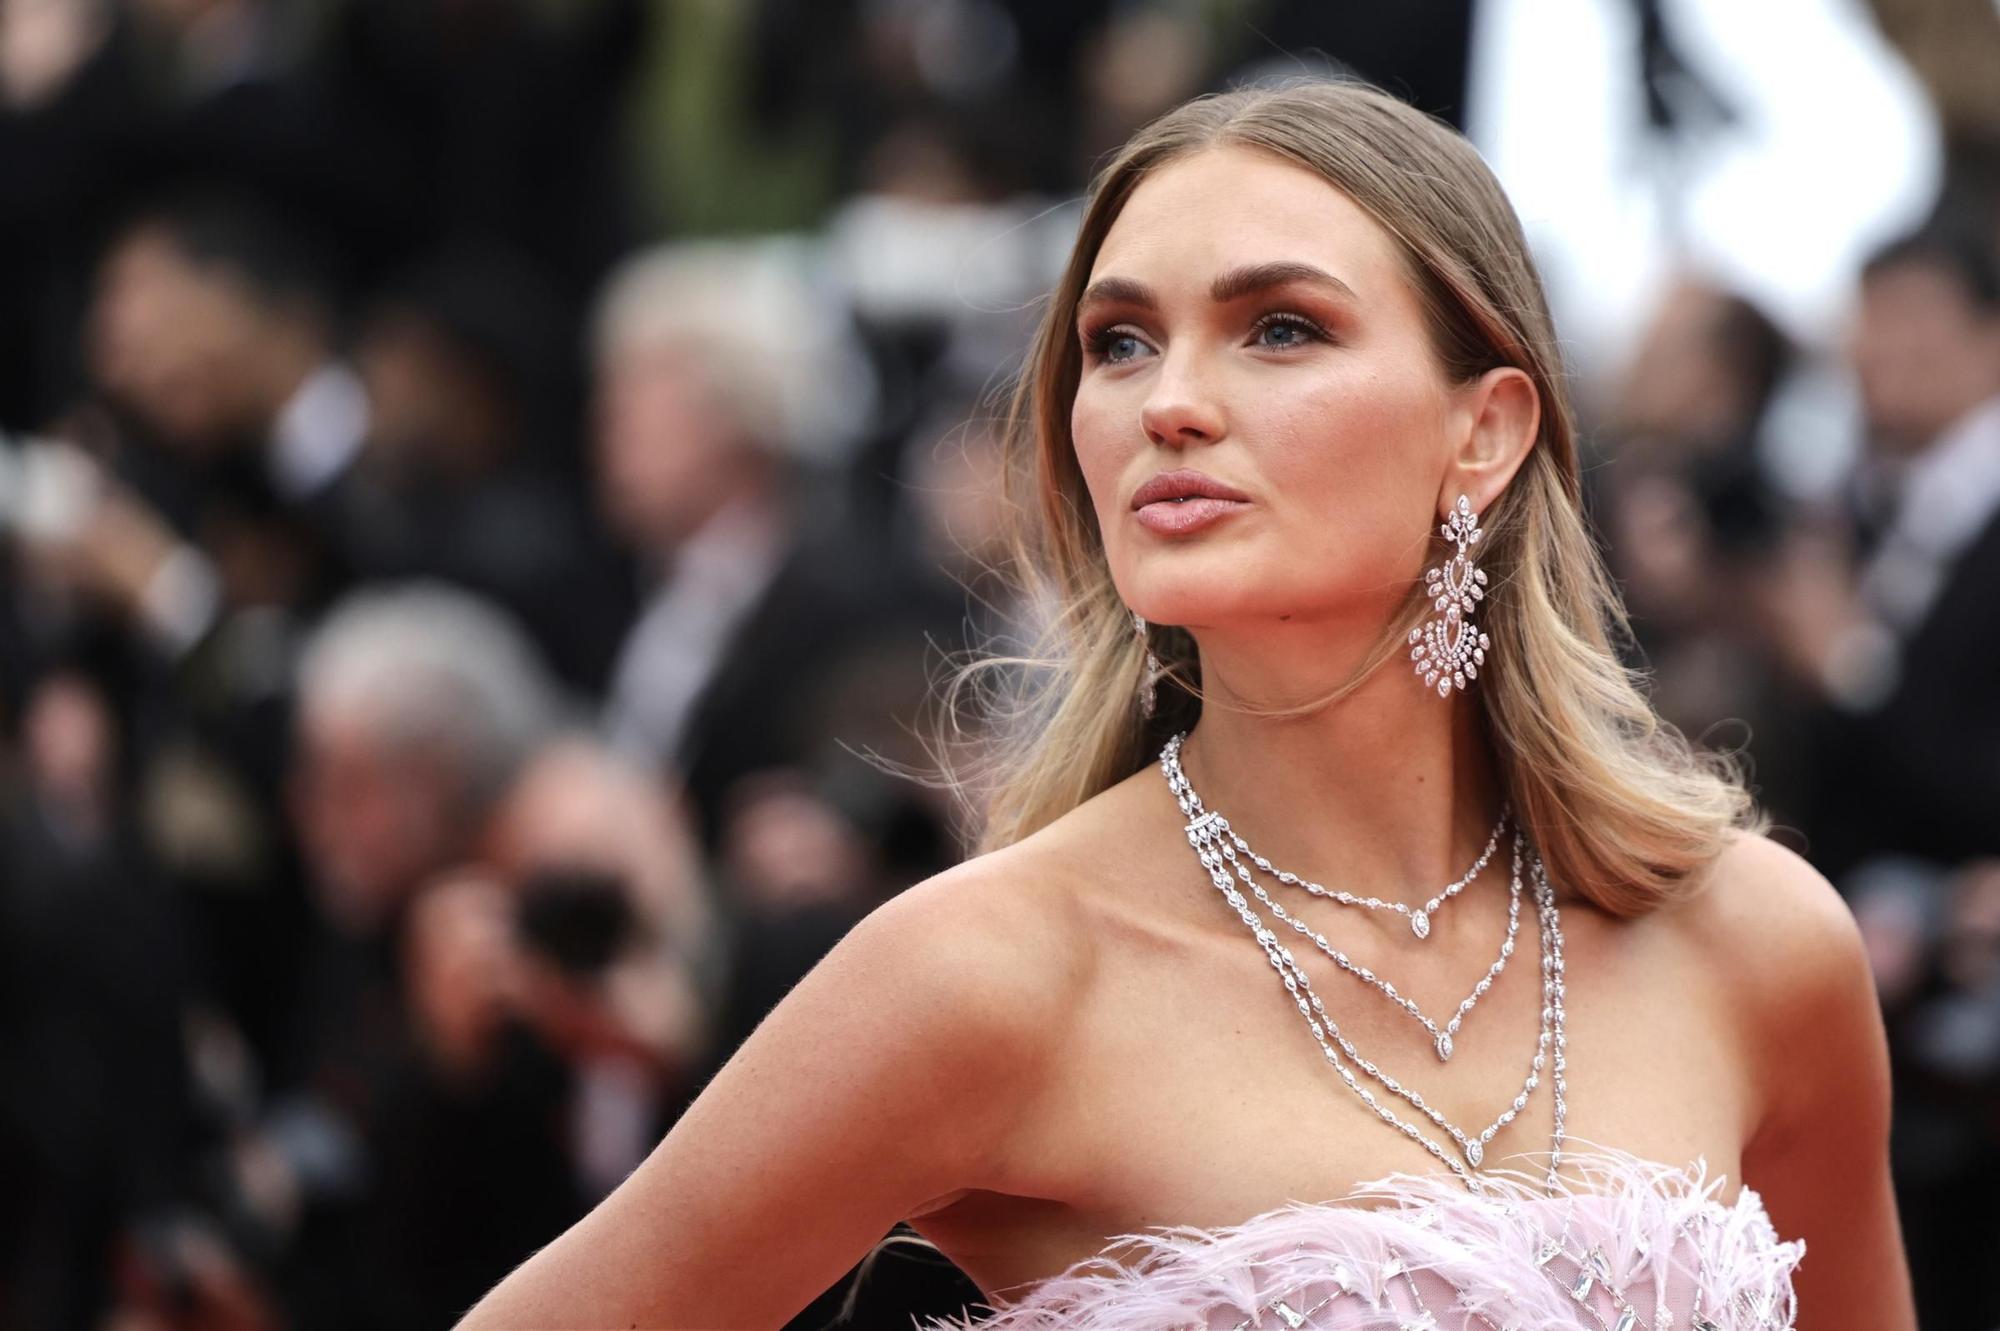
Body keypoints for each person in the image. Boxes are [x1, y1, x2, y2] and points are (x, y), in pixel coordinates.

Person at [454, 80, 1914, 1329]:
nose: (1169, 402)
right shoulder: (990, 978)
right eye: (1119, 342)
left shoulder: (1759, 949)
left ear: (1487, 430)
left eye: (1279, 329)